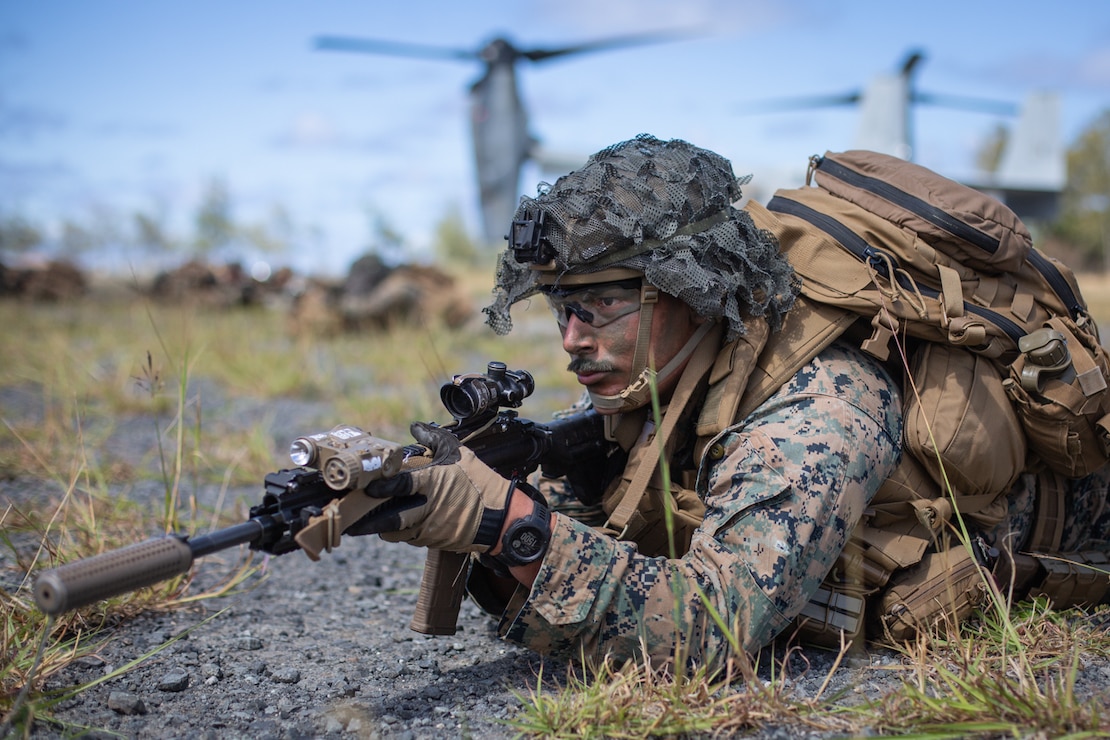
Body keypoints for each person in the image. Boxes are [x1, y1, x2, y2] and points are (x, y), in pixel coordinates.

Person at [343, 133, 904, 672]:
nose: (571, 340)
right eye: (564, 307)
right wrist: (482, 521)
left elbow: (711, 632)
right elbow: (582, 583)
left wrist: (510, 526)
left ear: (695, 292)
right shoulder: (652, 390)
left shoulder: (820, 407)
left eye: (605, 302)